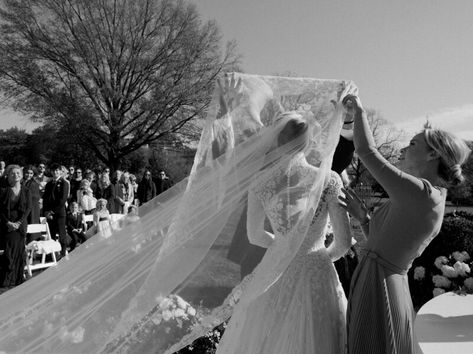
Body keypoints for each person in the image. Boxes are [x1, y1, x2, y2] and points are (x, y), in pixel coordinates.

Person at [340, 95, 471, 354]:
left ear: (433, 153)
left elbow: (367, 152)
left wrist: (359, 113)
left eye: (412, 143)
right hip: (377, 279)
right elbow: (385, 242)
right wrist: (363, 218)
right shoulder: (425, 196)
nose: (403, 149)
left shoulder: (422, 193)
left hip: (381, 285)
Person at [216, 113, 352, 354]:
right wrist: (316, 256)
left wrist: (283, 247)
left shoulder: (259, 183)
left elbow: (254, 236)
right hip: (316, 270)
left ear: (275, 142)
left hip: (274, 267)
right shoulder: (329, 180)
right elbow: (342, 243)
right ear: (310, 141)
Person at [0, 165, 32, 287]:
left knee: (20, 252)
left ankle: (18, 279)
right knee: (9, 254)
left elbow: (28, 208)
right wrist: (8, 223)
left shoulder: (26, 191)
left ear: (21, 175)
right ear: (8, 175)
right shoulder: (3, 190)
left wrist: (19, 223)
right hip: (7, 225)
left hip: (21, 225)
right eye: (13, 173)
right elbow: (1, 210)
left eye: (18, 173)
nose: (16, 175)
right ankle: (7, 280)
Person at [42, 163, 70, 256]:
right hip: (49, 213)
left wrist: (53, 211)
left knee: (62, 233)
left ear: (60, 172)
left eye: (57, 170)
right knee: (52, 233)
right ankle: (53, 254)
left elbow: (63, 199)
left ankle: (63, 252)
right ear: (51, 171)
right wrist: (46, 211)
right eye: (53, 170)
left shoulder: (64, 183)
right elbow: (45, 199)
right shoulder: (49, 184)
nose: (55, 172)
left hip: (59, 212)